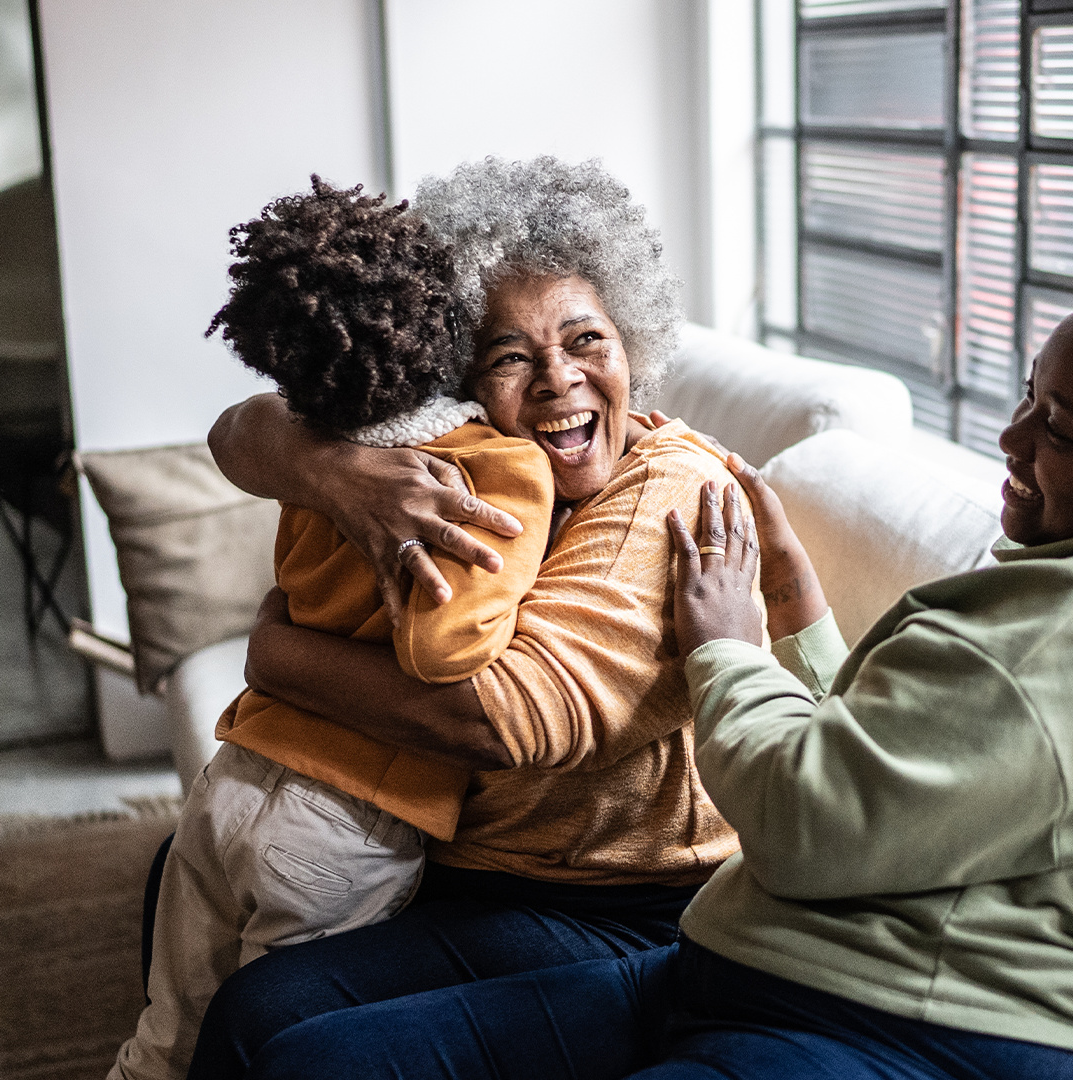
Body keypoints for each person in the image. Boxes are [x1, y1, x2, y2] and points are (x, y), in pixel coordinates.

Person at [222, 158, 1073, 1080]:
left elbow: (799, 810)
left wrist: (274, 647)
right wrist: (805, 618)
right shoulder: (1072, 577)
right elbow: (898, 763)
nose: (1012, 440)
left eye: (1059, 429)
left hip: (874, 1009)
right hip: (771, 959)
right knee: (276, 1025)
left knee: (294, 1039)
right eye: (1029, 398)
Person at [185, 156, 752, 1078]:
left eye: (587, 341)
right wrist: (331, 467)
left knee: (265, 1017)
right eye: (510, 356)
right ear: (456, 376)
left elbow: (505, 719)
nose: (559, 380)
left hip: (620, 902)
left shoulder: (669, 492)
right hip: (468, 861)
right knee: (188, 870)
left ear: (632, 347)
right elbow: (239, 430)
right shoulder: (462, 459)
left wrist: (273, 653)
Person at [110, 178, 556, 1080]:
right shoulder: (496, 469)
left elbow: (284, 575)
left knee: (165, 1039)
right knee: (279, 1051)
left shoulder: (327, 449)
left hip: (234, 778)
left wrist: (277, 633)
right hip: (344, 819)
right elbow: (446, 649)